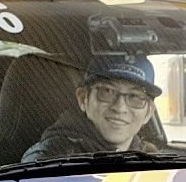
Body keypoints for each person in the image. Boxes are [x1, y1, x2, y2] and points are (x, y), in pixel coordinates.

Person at [21, 56, 166, 162]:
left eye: (135, 97)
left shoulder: (154, 161)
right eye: (107, 92)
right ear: (83, 98)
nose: (120, 107)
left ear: (148, 112)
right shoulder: (50, 159)